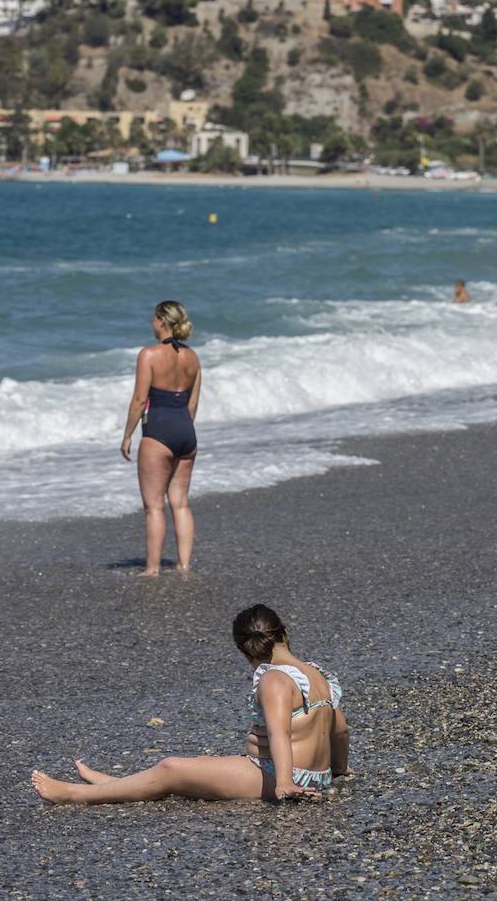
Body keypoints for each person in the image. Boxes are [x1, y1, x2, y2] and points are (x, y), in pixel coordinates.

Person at [31, 605, 350, 803]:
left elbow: (280, 734)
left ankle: (76, 794)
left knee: (172, 768)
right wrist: (337, 769)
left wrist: (283, 783)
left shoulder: (273, 680)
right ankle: (119, 785)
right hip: (315, 775)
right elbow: (339, 728)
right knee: (198, 766)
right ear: (286, 634)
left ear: (245, 653)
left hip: (284, 776)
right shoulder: (317, 672)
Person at [121, 301, 202, 576]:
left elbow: (140, 400)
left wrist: (128, 435)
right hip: (186, 432)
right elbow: (192, 404)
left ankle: (153, 568)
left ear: (161, 321)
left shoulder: (148, 354)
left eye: (153, 318)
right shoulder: (193, 357)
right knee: (180, 503)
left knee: (154, 506)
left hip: (158, 433)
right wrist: (182, 428)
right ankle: (184, 564)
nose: (151, 323)